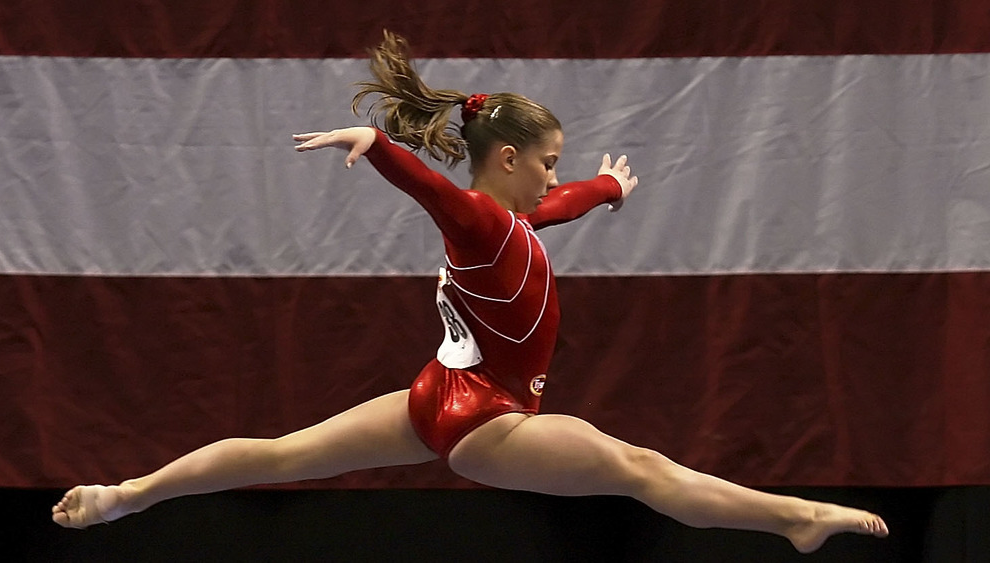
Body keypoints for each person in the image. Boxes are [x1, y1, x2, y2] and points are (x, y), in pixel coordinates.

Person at [52, 31, 888, 554]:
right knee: (639, 468)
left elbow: (556, 208)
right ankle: (793, 517)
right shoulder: (482, 220)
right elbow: (437, 193)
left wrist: (606, 188)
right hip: (485, 418)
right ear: (509, 158)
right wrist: (375, 142)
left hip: (439, 394)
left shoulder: (515, 221)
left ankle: (126, 497)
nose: (555, 174)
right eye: (550, 159)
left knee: (279, 453)